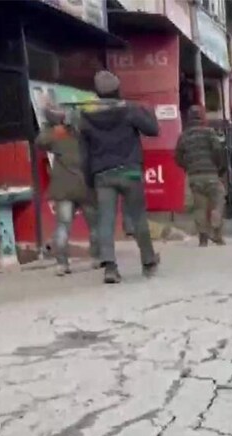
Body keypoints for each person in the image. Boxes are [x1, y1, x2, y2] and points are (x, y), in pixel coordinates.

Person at [79, 70, 160, 284]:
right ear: (118, 90)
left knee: (105, 220)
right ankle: (149, 262)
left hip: (102, 174)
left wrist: (89, 180)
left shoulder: (86, 117)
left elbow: (84, 153)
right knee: (138, 217)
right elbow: (153, 130)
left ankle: (110, 268)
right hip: (130, 171)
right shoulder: (130, 110)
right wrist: (148, 112)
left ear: (97, 93)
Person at [36, 106, 99, 276]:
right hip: (86, 187)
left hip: (63, 188)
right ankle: (97, 258)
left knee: (63, 226)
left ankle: (62, 264)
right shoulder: (86, 136)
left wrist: (49, 127)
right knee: (94, 225)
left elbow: (40, 142)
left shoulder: (58, 135)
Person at [175, 105, 226, 246]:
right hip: (211, 174)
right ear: (201, 117)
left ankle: (203, 238)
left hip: (194, 177)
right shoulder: (209, 132)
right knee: (219, 200)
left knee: (199, 207)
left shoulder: (184, 136)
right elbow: (218, 150)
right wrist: (218, 167)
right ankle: (217, 226)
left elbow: (177, 157)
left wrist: (188, 167)